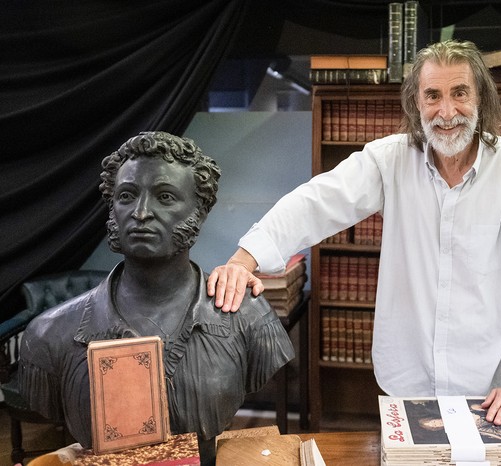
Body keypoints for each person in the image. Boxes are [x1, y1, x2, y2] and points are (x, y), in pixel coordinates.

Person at [207, 40, 501, 426]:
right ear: (416, 103)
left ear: (481, 99)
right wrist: (245, 260)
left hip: (489, 384)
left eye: (460, 93)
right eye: (432, 96)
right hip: (407, 378)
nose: (446, 112)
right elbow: (315, 202)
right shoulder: (389, 160)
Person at [18, 132, 294, 459]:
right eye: (127, 195)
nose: (141, 212)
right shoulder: (49, 334)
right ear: (112, 207)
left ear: (200, 210)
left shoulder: (249, 317)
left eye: (164, 197)